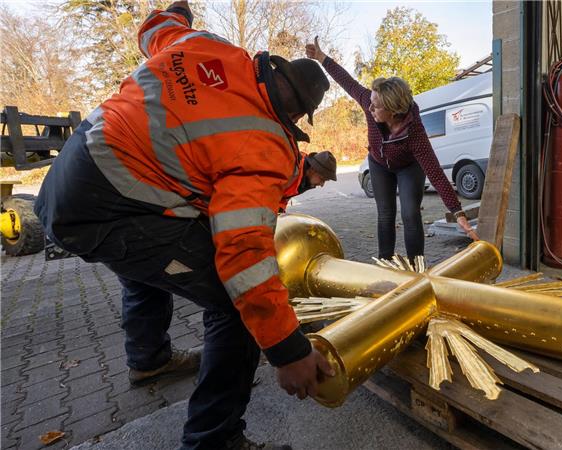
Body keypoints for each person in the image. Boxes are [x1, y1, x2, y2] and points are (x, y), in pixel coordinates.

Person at [34, 2, 334, 449]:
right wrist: (287, 349)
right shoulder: (263, 143)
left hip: (65, 183)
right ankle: (215, 439)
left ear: (272, 68)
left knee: (148, 257)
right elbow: (244, 256)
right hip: (107, 210)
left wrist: (177, 12)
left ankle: (149, 358)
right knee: (237, 306)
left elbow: (157, 27)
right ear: (296, 118)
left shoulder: (206, 46)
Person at [305, 38, 478, 263]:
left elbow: (434, 171)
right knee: (385, 215)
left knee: (410, 214)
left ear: (393, 110)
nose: (369, 107)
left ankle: (417, 268)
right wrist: (322, 59)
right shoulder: (370, 100)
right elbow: (348, 82)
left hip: (408, 168)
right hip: (379, 164)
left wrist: (458, 213)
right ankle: (385, 264)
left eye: (375, 106)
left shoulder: (414, 131)